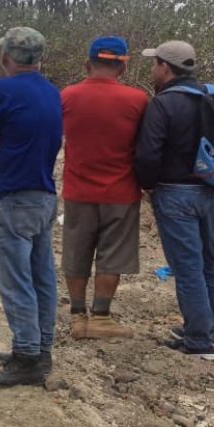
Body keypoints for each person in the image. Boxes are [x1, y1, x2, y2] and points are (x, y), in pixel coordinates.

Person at [0, 27, 62, 387]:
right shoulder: (52, 92)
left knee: (16, 280)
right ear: (40, 58)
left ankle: (26, 358)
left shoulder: (2, 90)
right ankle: (41, 349)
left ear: (6, 56)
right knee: (42, 278)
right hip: (45, 195)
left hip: (13, 196)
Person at [136, 41, 214, 361]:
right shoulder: (213, 96)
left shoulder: (163, 104)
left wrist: (147, 186)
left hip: (176, 194)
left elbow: (148, 154)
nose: (153, 70)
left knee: (187, 268)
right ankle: (209, 327)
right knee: (208, 263)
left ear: (166, 67)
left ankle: (197, 340)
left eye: (155, 64)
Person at [59, 36, 148, 340]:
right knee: (113, 255)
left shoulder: (67, 96)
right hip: (120, 192)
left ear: (88, 63)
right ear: (123, 66)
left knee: (76, 250)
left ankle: (77, 316)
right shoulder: (137, 100)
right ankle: (101, 317)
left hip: (77, 190)